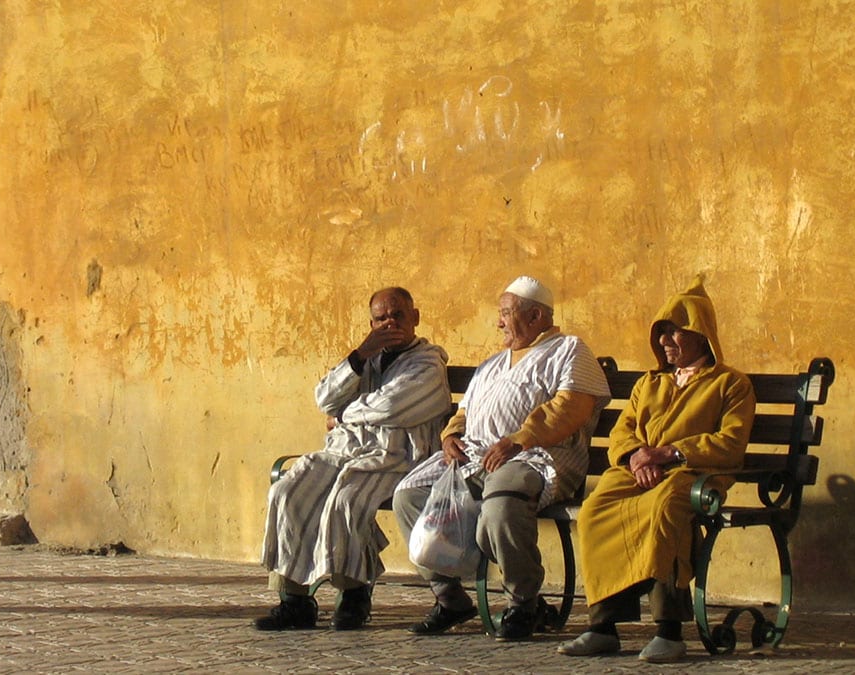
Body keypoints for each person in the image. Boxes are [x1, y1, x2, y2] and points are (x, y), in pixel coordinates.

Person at [393, 276, 611, 641]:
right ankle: (449, 598)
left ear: (536, 315)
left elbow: (570, 408)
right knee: (408, 497)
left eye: (505, 314)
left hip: (539, 456)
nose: (498, 322)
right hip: (476, 456)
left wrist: (520, 440)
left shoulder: (569, 350)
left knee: (501, 505)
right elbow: (465, 412)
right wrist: (450, 437)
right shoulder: (493, 364)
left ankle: (523, 601)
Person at [558, 277, 756, 663]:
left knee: (665, 510)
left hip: (691, 474)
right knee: (596, 510)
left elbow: (729, 442)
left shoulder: (730, 385)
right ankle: (603, 626)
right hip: (637, 472)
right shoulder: (648, 383)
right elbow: (623, 432)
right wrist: (635, 456)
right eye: (661, 333)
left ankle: (669, 629)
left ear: (700, 336)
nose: (665, 341)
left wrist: (668, 454)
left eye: (674, 332)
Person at [256, 287, 452, 631]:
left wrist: (342, 416)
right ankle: (294, 600)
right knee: (288, 492)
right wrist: (359, 356)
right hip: (343, 451)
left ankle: (353, 595)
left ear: (415, 318)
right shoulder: (366, 360)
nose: (390, 323)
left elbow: (391, 407)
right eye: (381, 319)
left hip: (395, 457)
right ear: (371, 324)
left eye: (398, 316)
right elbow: (323, 397)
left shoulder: (427, 363)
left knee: (346, 499)